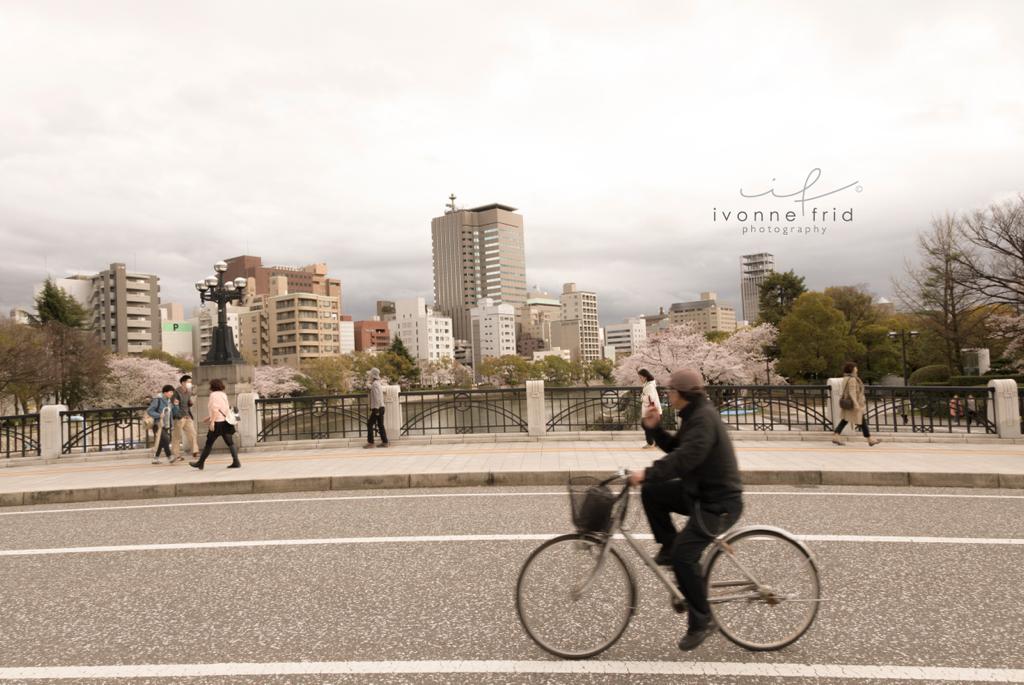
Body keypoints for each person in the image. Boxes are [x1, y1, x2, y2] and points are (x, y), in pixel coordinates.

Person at [631, 368, 744, 651]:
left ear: (682, 393)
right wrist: (654, 428)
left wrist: (647, 472)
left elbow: (685, 459)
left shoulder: (703, 419)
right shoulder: (694, 414)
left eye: (671, 390)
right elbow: (677, 448)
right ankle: (669, 547)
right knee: (652, 492)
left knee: (685, 557)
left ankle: (702, 620)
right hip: (700, 492)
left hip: (718, 503)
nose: (668, 395)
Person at [189, 378, 240, 470]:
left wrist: (212, 422)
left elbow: (215, 409)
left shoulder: (213, 395)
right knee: (230, 443)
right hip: (226, 422)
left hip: (217, 423)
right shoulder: (223, 394)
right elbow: (223, 409)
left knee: (209, 443)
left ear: (212, 386)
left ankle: (200, 463)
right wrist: (209, 417)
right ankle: (236, 461)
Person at [832, 362, 880, 447]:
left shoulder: (846, 378)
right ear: (852, 369)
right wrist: (856, 404)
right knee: (860, 419)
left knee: (846, 420)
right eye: (855, 367)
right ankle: (870, 439)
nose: (857, 369)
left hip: (849, 403)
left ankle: (836, 435)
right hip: (853, 404)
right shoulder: (852, 379)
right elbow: (852, 392)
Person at [146, 385, 181, 464]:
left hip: (166, 425)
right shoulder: (158, 400)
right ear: (165, 392)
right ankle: (169, 457)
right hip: (158, 424)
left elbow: (174, 413)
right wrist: (159, 415)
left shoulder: (169, 401)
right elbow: (149, 410)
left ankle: (155, 458)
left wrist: (176, 405)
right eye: (170, 392)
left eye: (172, 392)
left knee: (161, 442)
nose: (172, 394)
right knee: (166, 440)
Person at [171, 374, 198, 462]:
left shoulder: (188, 392)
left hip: (187, 416)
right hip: (179, 417)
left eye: (190, 382)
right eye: (188, 382)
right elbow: (175, 405)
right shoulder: (176, 392)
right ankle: (176, 455)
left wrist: (191, 402)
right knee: (177, 436)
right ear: (183, 382)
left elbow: (188, 403)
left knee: (192, 433)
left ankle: (195, 451)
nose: (190, 384)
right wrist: (179, 415)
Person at [364, 368, 389, 448]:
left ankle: (371, 443)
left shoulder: (375, 384)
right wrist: (368, 385)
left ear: (373, 375)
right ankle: (385, 442)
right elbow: (373, 389)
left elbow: (377, 397)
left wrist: (376, 410)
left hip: (377, 408)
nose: (369, 376)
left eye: (370, 375)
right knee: (380, 425)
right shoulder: (377, 383)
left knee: (369, 424)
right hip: (381, 407)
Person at [638, 369, 661, 449]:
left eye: (641, 377)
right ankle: (656, 442)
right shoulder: (649, 384)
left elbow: (651, 398)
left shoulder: (649, 386)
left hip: (650, 409)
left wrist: (642, 397)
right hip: (651, 409)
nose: (640, 379)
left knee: (646, 425)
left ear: (645, 377)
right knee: (651, 426)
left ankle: (650, 443)